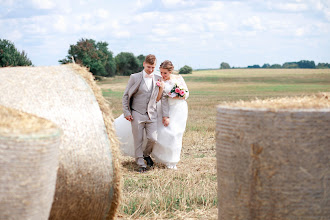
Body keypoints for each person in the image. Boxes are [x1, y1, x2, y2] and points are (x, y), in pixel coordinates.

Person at [122, 54, 169, 173]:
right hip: (137, 113)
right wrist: (127, 112)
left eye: (153, 67)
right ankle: (141, 164)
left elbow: (163, 98)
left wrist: (165, 115)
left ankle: (146, 154)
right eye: (148, 67)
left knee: (153, 138)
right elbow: (126, 95)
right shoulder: (134, 77)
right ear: (144, 64)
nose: (151, 70)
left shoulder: (159, 78)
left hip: (152, 114)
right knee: (138, 139)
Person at [151, 60, 189, 169]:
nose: (162, 75)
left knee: (177, 134)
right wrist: (165, 116)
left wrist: (178, 95)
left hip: (180, 109)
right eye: (161, 72)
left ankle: (173, 162)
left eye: (165, 73)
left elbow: (187, 93)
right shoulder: (160, 82)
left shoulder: (179, 79)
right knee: (168, 134)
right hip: (167, 109)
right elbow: (161, 100)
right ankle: (164, 158)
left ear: (170, 71)